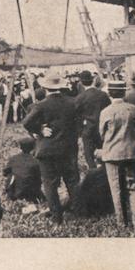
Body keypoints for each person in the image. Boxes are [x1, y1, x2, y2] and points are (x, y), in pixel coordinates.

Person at [22, 72, 79, 224]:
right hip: (69, 148)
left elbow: (26, 123)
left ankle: (57, 216)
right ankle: (79, 211)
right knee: (72, 181)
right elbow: (79, 123)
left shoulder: (41, 105)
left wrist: (40, 129)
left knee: (50, 184)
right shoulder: (73, 102)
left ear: (45, 87)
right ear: (61, 86)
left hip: (47, 150)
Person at [99, 80, 135, 229]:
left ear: (109, 93)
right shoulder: (133, 109)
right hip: (131, 151)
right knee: (133, 186)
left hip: (112, 153)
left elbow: (102, 133)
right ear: (124, 93)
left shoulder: (105, 112)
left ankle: (122, 222)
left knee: (116, 188)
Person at [74, 70, 111, 169]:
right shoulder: (103, 95)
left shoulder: (80, 97)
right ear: (92, 80)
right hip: (103, 128)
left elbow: (76, 116)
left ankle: (93, 173)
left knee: (89, 154)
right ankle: (104, 170)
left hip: (88, 128)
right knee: (103, 150)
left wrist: (80, 131)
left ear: (81, 82)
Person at [71, 150, 113, 218]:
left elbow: (82, 189)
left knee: (76, 190)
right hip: (106, 205)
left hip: (90, 206)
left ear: (96, 160)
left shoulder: (92, 173)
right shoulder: (109, 172)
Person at [3, 136, 44, 203]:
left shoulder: (13, 159)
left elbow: (5, 173)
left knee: (11, 175)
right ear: (33, 148)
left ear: (20, 147)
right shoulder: (35, 161)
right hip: (31, 193)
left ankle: (11, 198)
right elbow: (40, 177)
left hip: (14, 193)